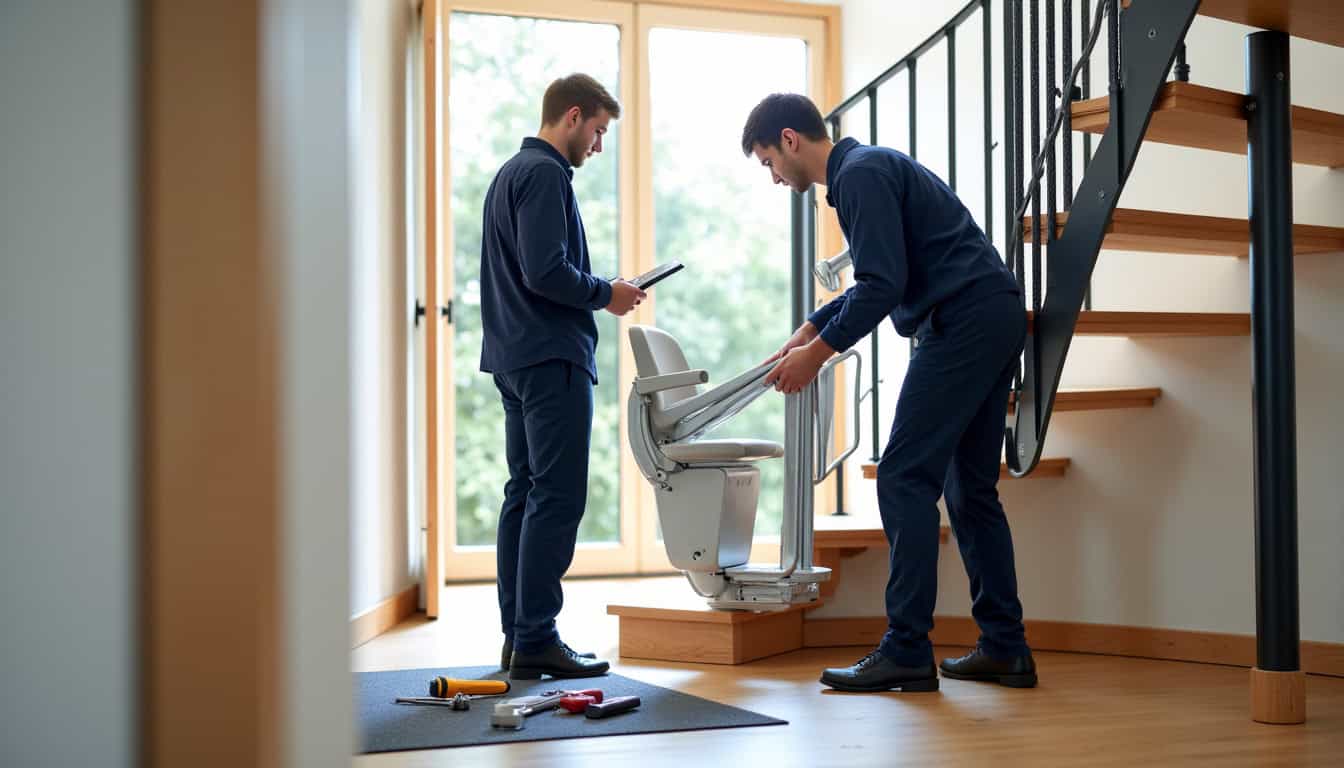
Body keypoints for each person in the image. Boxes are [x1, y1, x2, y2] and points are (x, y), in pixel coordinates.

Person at [744, 93, 1037, 692]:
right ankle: (1005, 647)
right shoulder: (869, 168)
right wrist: (812, 327)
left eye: (768, 161)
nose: (773, 177)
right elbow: (883, 276)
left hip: (963, 321)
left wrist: (816, 356)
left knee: (903, 476)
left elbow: (883, 285)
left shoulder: (858, 176)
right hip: (992, 312)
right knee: (970, 490)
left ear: (790, 140)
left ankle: (906, 649)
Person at [479, 73, 644, 680]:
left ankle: (519, 637)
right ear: (572, 116)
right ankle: (538, 637)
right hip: (551, 359)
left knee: (524, 494)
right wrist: (607, 293)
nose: (598, 146)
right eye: (598, 131)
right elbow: (546, 271)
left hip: (512, 357)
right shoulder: (546, 174)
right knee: (556, 496)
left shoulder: (509, 174)